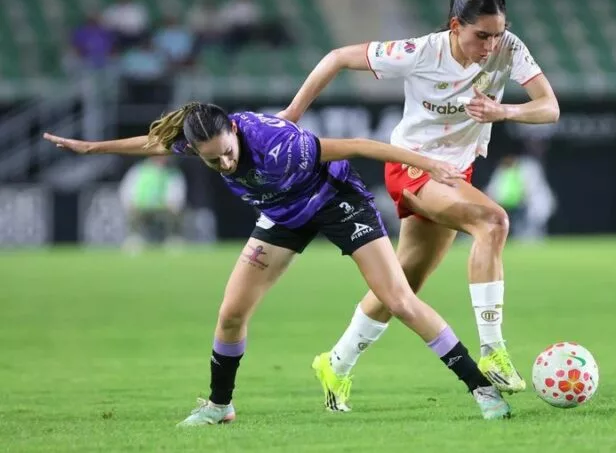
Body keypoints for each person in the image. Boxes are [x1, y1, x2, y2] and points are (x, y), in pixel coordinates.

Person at [42, 102, 512, 424]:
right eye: (212, 161)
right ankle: (219, 406)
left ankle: (480, 388)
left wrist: (427, 165)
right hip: (282, 215)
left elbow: (362, 146)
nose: (224, 164)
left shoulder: (281, 143)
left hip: (334, 201)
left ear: (234, 130)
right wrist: (92, 148)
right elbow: (153, 144)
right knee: (231, 314)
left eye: (227, 153)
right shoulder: (199, 141)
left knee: (399, 300)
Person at [279, 0, 560, 411]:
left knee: (403, 284)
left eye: (497, 34)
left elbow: (549, 107)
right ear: (455, 26)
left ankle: (335, 363)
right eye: (481, 35)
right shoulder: (420, 51)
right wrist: (293, 115)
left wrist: (506, 111)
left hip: (455, 172)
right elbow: (336, 58)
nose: (490, 45)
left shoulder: (509, 48)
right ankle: (493, 351)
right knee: (493, 221)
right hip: (412, 165)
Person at [118, 155, 187, 252]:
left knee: (175, 215)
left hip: (163, 210)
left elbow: (178, 193)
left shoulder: (173, 172)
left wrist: (173, 204)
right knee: (133, 214)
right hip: (142, 209)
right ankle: (134, 240)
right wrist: (130, 203)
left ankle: (173, 240)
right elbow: (126, 189)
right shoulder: (138, 169)